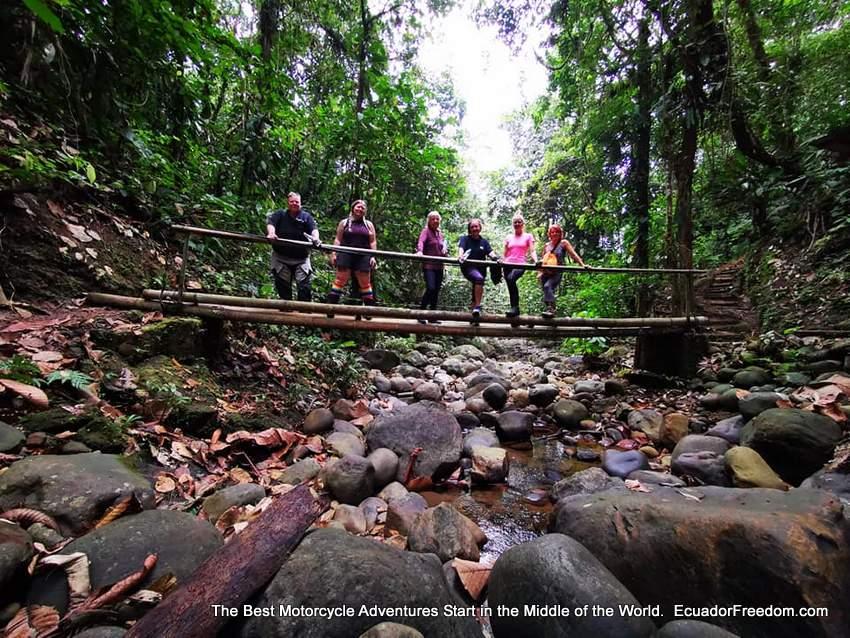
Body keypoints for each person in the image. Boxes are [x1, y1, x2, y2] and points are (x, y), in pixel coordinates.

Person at [266, 192, 321, 302]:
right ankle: (286, 312)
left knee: (304, 287)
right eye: (292, 201)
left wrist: (315, 238)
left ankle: (304, 313)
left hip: (301, 258)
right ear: (288, 203)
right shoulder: (280, 214)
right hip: (281, 257)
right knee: (283, 286)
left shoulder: (306, 217)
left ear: (300, 203)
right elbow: (271, 224)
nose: (294, 204)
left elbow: (314, 229)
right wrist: (271, 233)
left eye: (297, 202)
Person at [325, 200, 377, 313]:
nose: (360, 209)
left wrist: (373, 256)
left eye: (363, 208)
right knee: (340, 280)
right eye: (358, 207)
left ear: (365, 211)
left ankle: (369, 311)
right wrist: (334, 253)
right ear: (353, 208)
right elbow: (338, 239)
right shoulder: (344, 223)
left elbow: (372, 242)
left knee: (365, 283)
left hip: (363, 255)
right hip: (345, 253)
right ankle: (330, 309)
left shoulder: (369, 225)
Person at [538, 224, 588, 318]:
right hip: (546, 272)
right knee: (546, 290)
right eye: (552, 232)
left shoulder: (563, 243)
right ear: (549, 234)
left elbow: (573, 255)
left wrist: (583, 265)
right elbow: (544, 259)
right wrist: (539, 273)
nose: (554, 234)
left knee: (548, 286)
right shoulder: (546, 245)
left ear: (560, 233)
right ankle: (550, 312)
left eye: (557, 232)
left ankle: (552, 310)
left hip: (557, 272)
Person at [457, 218, 499, 322]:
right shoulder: (465, 239)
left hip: (481, 269)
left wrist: (497, 258)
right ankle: (477, 307)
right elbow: (461, 249)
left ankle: (473, 319)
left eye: (476, 226)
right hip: (469, 267)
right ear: (469, 229)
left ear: (480, 228)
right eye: (472, 227)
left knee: (475, 292)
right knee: (479, 279)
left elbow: (491, 253)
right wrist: (460, 256)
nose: (475, 228)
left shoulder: (484, 242)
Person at [502, 213, 538, 318]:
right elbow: (504, 253)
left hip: (520, 264)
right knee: (510, 285)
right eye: (515, 222)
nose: (517, 224)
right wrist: (501, 263)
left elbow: (532, 250)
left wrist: (536, 260)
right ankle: (514, 308)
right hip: (507, 264)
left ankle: (515, 308)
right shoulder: (508, 237)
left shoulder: (528, 236)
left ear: (523, 224)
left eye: (519, 222)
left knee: (511, 279)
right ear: (513, 224)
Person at [415, 211, 449, 324]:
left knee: (436, 291)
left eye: (437, 219)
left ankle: (432, 316)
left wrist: (445, 251)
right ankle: (421, 313)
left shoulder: (440, 234)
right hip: (429, 265)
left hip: (439, 266)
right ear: (429, 221)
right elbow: (421, 242)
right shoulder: (426, 231)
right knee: (431, 288)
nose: (435, 221)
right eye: (433, 219)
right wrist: (420, 251)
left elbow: (443, 248)